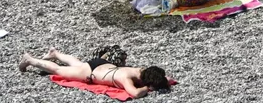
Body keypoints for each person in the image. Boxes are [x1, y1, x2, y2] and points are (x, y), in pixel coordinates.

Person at [19, 46, 170, 98]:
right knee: (58, 70)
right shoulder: (126, 78)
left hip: (102, 65)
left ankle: (55, 53)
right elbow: (135, 94)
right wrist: (147, 89)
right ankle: (30, 60)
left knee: (76, 64)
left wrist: (163, 80)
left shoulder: (140, 70)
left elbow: (162, 76)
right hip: (91, 73)